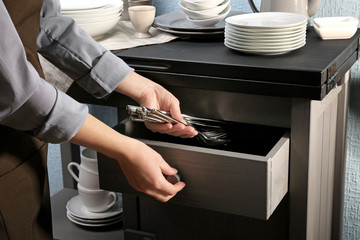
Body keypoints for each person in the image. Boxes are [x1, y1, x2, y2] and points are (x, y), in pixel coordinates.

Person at [0, 0, 197, 239]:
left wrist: (142, 87)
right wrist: (125, 149)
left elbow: (44, 21)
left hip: (23, 147)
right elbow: (17, 92)